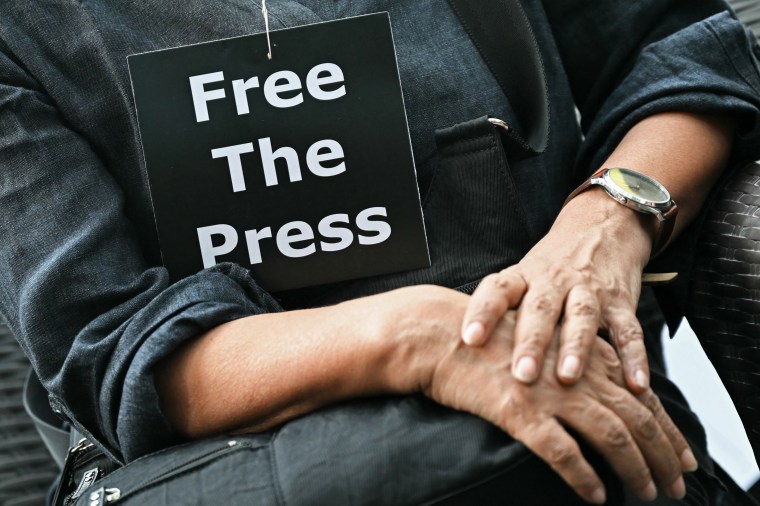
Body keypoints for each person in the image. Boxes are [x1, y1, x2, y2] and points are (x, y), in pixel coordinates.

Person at [1, 0, 759, 504]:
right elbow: (112, 349)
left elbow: (684, 56)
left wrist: (609, 219)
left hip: (571, 418)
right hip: (254, 465)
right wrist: (422, 338)